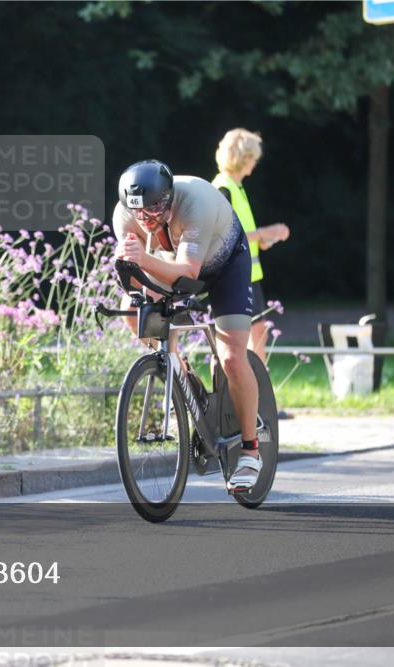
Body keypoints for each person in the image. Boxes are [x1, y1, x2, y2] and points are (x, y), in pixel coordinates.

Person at [112, 159, 261, 492]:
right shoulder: (125, 215)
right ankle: (182, 373)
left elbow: (189, 273)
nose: (147, 221)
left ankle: (251, 452)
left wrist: (141, 260)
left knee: (232, 357)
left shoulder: (195, 202)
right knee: (130, 312)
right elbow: (133, 276)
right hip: (171, 263)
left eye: (155, 211)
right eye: (140, 214)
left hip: (223, 265)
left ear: (169, 198)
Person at [211, 128, 289, 361]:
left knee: (258, 332)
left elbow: (243, 234)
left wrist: (263, 240)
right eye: (253, 159)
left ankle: (259, 388)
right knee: (247, 338)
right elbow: (227, 233)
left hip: (248, 274)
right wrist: (269, 231)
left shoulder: (236, 187)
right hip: (235, 275)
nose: (255, 164)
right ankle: (255, 391)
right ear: (244, 158)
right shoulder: (224, 187)